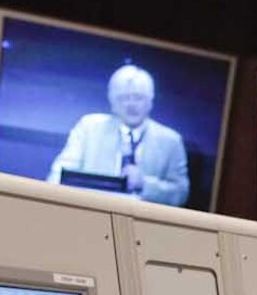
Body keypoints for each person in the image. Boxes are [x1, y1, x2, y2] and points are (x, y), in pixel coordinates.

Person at [48, 63, 191, 206]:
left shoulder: (171, 141)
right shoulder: (89, 128)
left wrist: (145, 184)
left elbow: (181, 193)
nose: (131, 104)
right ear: (113, 103)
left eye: (138, 98)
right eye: (124, 98)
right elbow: (59, 174)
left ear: (150, 102)